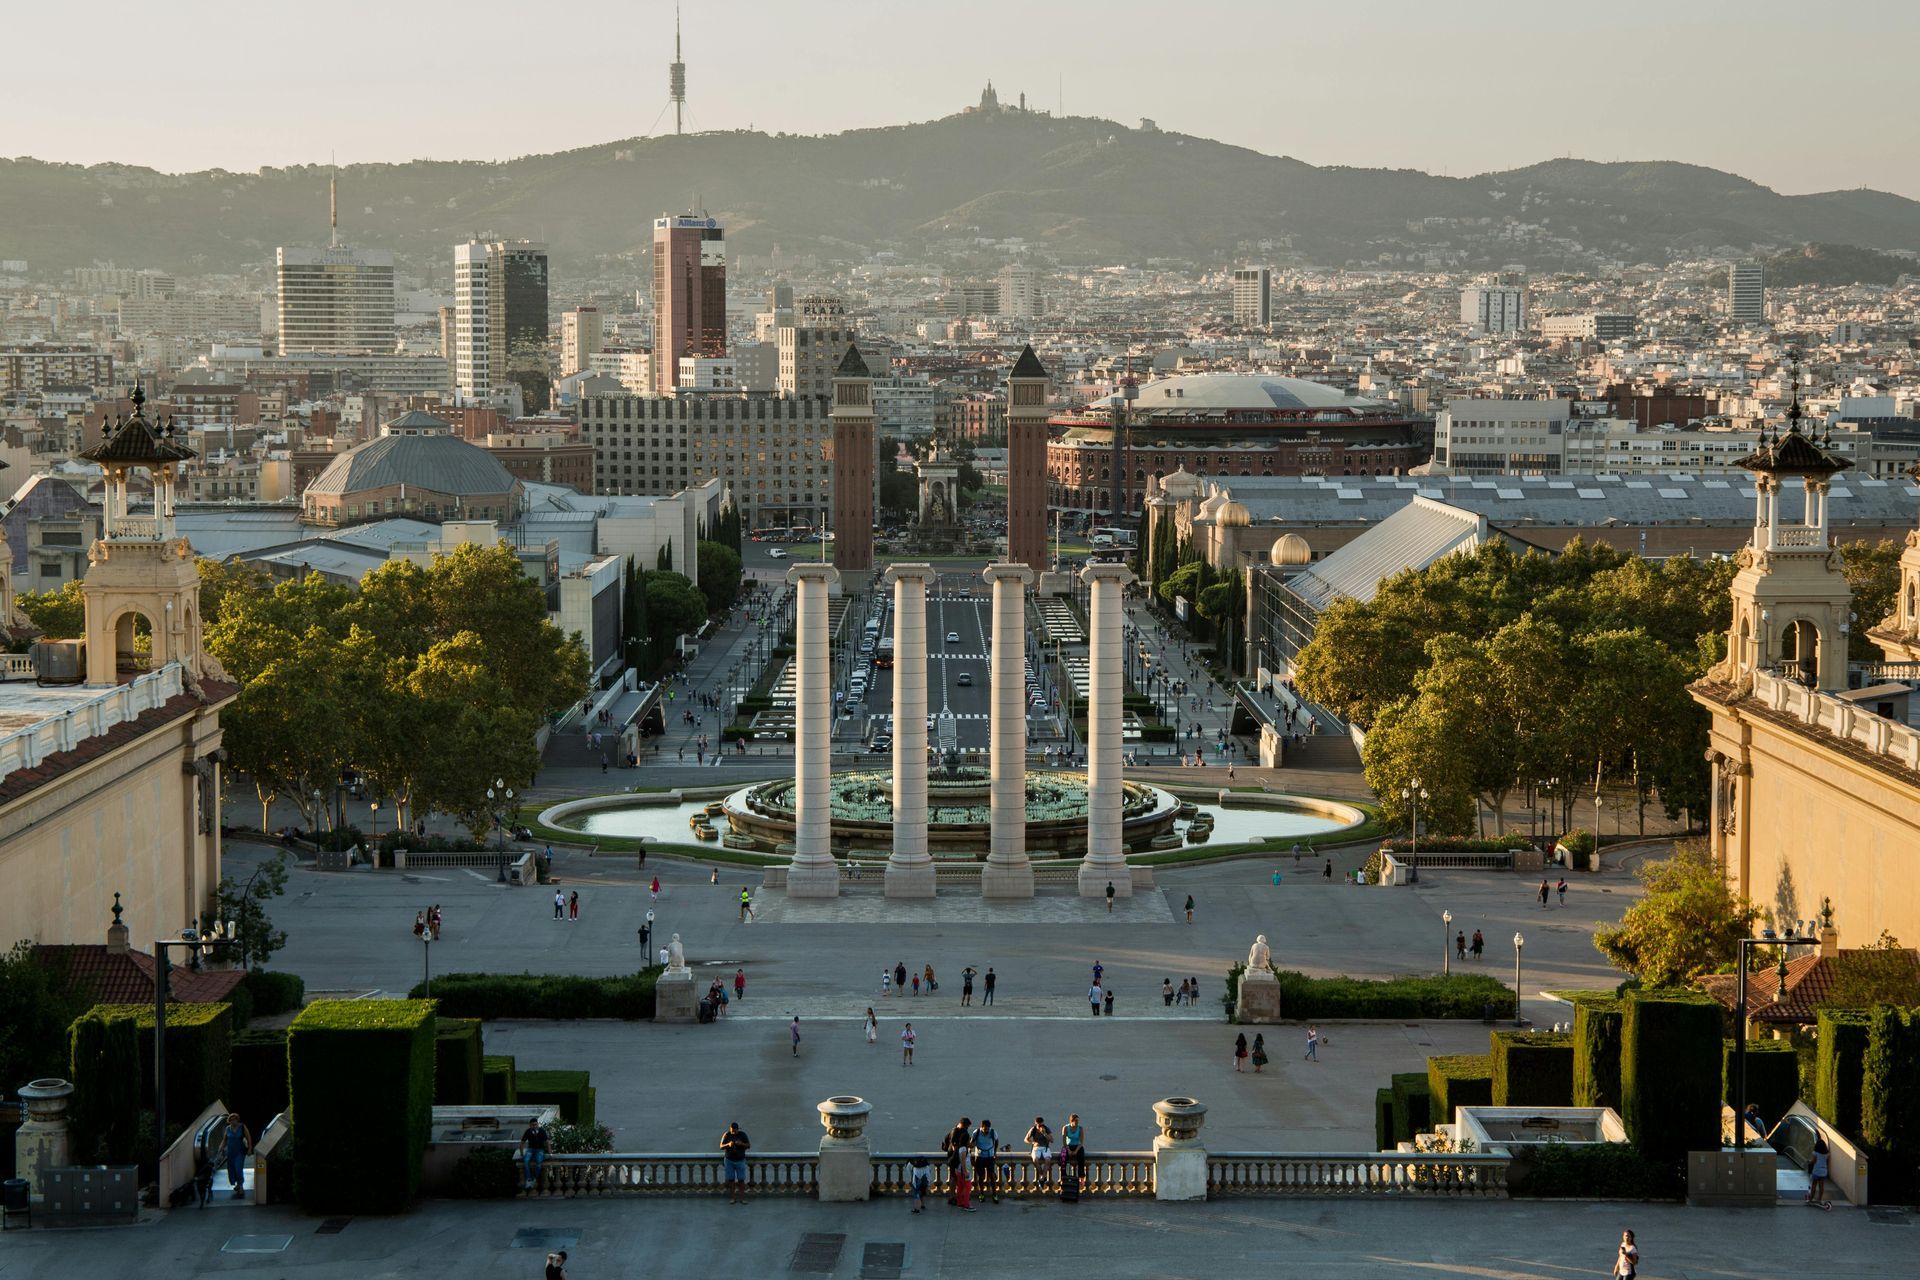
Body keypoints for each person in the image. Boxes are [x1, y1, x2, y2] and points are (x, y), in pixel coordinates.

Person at [220, 1113, 251, 1199]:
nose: (233, 1121)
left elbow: (248, 1137)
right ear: (229, 1121)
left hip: (240, 1152)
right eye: (231, 1120)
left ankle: (241, 1186)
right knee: (232, 1169)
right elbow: (224, 1140)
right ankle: (238, 1184)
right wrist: (221, 1147)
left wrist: (249, 1149)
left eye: (235, 1119)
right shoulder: (227, 1129)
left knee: (238, 1168)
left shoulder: (242, 1127)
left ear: (237, 1120)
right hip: (230, 1153)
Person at [720, 1122, 751, 1204]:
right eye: (732, 1131)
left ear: (738, 1129)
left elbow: (748, 1145)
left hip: (740, 1160)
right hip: (729, 1160)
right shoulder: (726, 1134)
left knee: (741, 1180)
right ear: (730, 1129)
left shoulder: (742, 1135)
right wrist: (728, 1144)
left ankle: (742, 1199)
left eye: (734, 1131)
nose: (733, 1132)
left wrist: (741, 1144)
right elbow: (721, 1146)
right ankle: (733, 1198)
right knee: (731, 1180)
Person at [973, 1119, 1000, 1203]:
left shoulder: (992, 1132)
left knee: (992, 1176)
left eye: (988, 1129)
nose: (986, 1131)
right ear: (981, 1127)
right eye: (985, 1129)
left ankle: (995, 1194)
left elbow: (997, 1141)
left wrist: (994, 1152)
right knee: (981, 1176)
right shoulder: (976, 1132)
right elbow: (972, 1143)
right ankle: (981, 1194)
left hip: (990, 1156)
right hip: (980, 1156)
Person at [519, 1115, 549, 1190]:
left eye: (535, 1124)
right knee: (526, 1161)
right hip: (530, 1149)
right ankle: (529, 1179)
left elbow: (547, 1142)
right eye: (532, 1125)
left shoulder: (541, 1131)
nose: (534, 1126)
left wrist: (550, 1153)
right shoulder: (528, 1131)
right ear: (530, 1125)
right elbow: (522, 1142)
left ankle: (534, 1178)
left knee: (539, 1163)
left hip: (540, 1150)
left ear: (538, 1124)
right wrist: (522, 1153)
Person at [1807, 1135, 1832, 1209]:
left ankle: (1811, 1199)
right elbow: (1827, 1162)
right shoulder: (1827, 1154)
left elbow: (1813, 1161)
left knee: (1814, 1185)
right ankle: (1819, 1199)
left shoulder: (1816, 1153)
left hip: (1816, 1171)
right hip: (1824, 1171)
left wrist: (1809, 1162)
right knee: (1821, 1186)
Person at [1062, 1114, 1086, 1181]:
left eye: (1078, 1121)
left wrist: (1076, 1151)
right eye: (1075, 1121)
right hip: (1068, 1146)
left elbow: (1081, 1142)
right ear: (1071, 1121)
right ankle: (1064, 1176)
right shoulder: (1066, 1128)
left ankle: (1081, 1177)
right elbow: (1064, 1142)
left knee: (1081, 1158)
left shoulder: (1080, 1128)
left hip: (1077, 1146)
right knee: (1063, 1158)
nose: (1077, 1122)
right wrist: (1069, 1150)